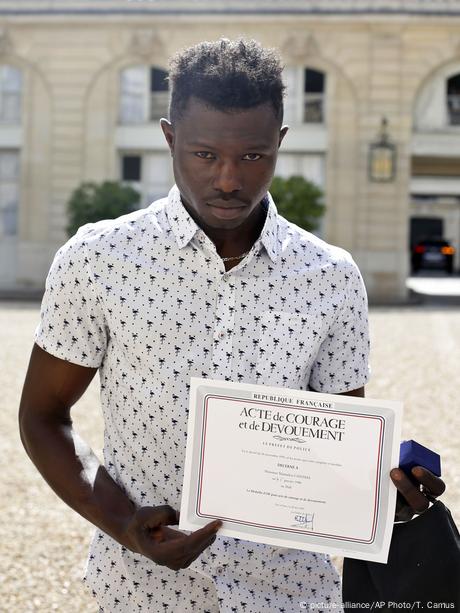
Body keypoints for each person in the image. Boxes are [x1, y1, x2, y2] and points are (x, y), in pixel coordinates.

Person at [19, 38, 445, 612]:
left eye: (253, 156)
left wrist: (386, 496)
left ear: (280, 144)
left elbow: (340, 450)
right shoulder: (98, 259)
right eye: (204, 154)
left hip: (291, 594)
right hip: (141, 593)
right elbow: (43, 417)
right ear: (170, 139)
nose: (227, 179)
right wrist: (124, 524)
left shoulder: (331, 276)